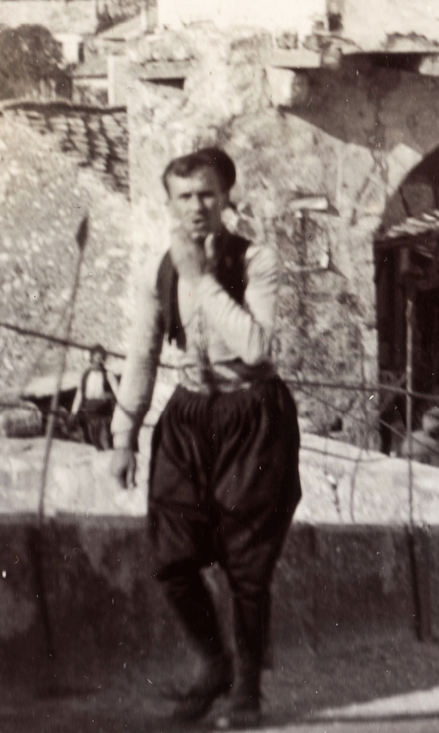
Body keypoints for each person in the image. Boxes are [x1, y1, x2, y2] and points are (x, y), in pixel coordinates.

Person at [107, 147, 301, 729]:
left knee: (247, 565)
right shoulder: (157, 271)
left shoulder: (257, 260)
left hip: (254, 416)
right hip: (189, 416)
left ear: (226, 198)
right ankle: (214, 664)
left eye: (208, 195)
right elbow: (142, 353)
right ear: (169, 203)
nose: (197, 207)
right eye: (185, 197)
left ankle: (247, 691)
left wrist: (203, 281)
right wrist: (124, 434)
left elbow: (255, 347)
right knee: (170, 557)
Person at [72, 344, 116, 451]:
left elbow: (117, 392)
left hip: (103, 412)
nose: (98, 360)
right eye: (96, 357)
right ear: (91, 358)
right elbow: (79, 394)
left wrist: (110, 396)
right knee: (91, 441)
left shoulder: (108, 374)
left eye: (101, 358)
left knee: (105, 441)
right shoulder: (85, 375)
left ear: (103, 359)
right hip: (88, 411)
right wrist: (73, 412)